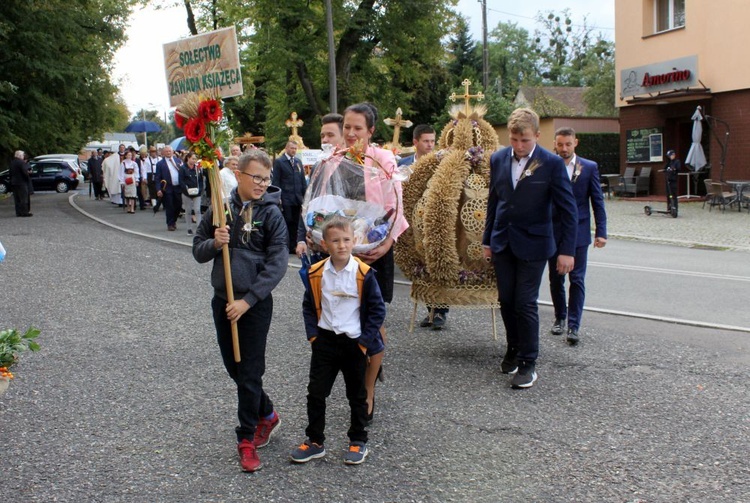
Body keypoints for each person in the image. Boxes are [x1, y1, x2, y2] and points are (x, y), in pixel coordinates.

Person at [192, 150, 288, 473]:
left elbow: (277, 264)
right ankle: (268, 413)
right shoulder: (221, 210)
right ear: (239, 174)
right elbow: (198, 249)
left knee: (249, 372)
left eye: (266, 178)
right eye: (256, 177)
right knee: (234, 369)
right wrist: (215, 244)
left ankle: (246, 439)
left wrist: (247, 301)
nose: (261, 184)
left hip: (254, 304)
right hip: (223, 300)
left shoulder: (273, 215)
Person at [482, 108, 577, 389]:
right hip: (503, 240)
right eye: (513, 140)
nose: (519, 146)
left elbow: (567, 210)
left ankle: (528, 362)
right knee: (507, 301)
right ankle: (513, 347)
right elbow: (494, 202)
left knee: (525, 302)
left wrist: (567, 250)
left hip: (535, 243)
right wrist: (488, 240)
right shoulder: (498, 158)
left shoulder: (551, 163)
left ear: (536, 136)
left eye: (524, 140)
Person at [291, 217, 386, 465]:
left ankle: (358, 441)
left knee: (356, 394)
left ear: (354, 241)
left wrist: (364, 342)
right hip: (324, 342)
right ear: (325, 244)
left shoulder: (364, 274)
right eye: (335, 240)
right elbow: (309, 306)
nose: (341, 245)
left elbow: (377, 310)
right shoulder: (317, 272)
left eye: (346, 240)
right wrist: (313, 336)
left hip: (354, 343)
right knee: (316, 393)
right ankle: (315, 441)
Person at [342, 102, 409, 422]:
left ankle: (368, 390)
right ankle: (362, 374)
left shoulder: (383, 160)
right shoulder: (337, 161)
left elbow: (396, 205)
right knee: (347, 324)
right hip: (344, 253)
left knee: (374, 322)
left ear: (370, 131)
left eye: (358, 128)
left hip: (377, 250)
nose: (351, 133)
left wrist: (387, 243)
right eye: (347, 127)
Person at [548, 127, 607, 345]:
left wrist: (602, 231)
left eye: (568, 144)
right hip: (554, 230)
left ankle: (574, 325)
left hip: (580, 232)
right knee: (556, 278)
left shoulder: (589, 168)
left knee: (577, 279)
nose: (564, 149)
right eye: (560, 144)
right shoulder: (548, 165)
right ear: (555, 144)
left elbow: (597, 201)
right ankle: (559, 317)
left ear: (575, 143)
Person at [398, 125, 448, 330]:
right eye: (426, 141)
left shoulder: (440, 163)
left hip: (433, 221)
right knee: (420, 268)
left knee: (437, 264)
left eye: (432, 141)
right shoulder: (403, 164)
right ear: (415, 142)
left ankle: (441, 311)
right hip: (411, 223)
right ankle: (430, 309)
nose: (430, 145)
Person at [295, 112, 346, 259]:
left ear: (343, 137)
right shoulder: (318, 165)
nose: (325, 140)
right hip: (317, 239)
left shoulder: (353, 166)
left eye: (330, 135)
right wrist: (301, 238)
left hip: (341, 245)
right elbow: (307, 203)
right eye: (322, 136)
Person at [272, 141, 307, 253]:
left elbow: (302, 180)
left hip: (297, 198)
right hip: (286, 197)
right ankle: (288, 244)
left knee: (297, 222)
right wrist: (277, 196)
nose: (294, 150)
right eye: (292, 148)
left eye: (295, 149)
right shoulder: (279, 161)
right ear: (286, 148)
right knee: (288, 221)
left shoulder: (297, 161)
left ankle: (295, 243)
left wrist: (306, 195)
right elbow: (276, 180)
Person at [155, 146, 183, 231]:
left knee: (178, 205)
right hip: (167, 188)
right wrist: (158, 189)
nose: (168, 153)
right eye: (166, 151)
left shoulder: (178, 161)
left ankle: (174, 220)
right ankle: (170, 223)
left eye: (170, 151)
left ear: (173, 152)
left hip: (178, 187)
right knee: (169, 206)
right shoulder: (160, 164)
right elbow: (157, 178)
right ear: (163, 153)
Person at [180, 152, 204, 235]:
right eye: (193, 158)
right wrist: (186, 190)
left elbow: (200, 180)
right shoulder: (183, 168)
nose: (194, 161)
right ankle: (189, 228)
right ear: (188, 158)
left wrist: (200, 189)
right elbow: (181, 180)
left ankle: (199, 228)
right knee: (188, 210)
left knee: (197, 210)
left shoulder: (197, 168)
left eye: (195, 159)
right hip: (187, 192)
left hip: (196, 192)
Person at [9, 150, 32, 217]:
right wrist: (28, 175)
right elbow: (24, 172)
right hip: (22, 182)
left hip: (14, 182)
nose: (23, 156)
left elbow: (10, 173)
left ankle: (18, 212)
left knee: (17, 199)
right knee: (24, 198)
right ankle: (24, 212)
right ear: (20, 156)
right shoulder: (21, 163)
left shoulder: (12, 162)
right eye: (22, 155)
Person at [142, 146, 161, 211]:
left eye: (155, 151)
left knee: (160, 190)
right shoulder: (146, 160)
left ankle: (160, 204)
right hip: (150, 175)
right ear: (149, 152)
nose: (154, 153)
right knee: (152, 191)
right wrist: (144, 178)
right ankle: (154, 205)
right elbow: (144, 170)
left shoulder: (160, 159)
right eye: (152, 151)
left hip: (159, 175)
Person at [665, 149, 680, 214]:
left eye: (670, 156)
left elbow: (678, 169)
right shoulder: (669, 162)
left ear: (673, 155)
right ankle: (669, 208)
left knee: (673, 195)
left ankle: (675, 209)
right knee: (668, 195)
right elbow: (665, 168)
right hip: (668, 180)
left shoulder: (677, 161)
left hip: (673, 180)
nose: (669, 157)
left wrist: (673, 169)